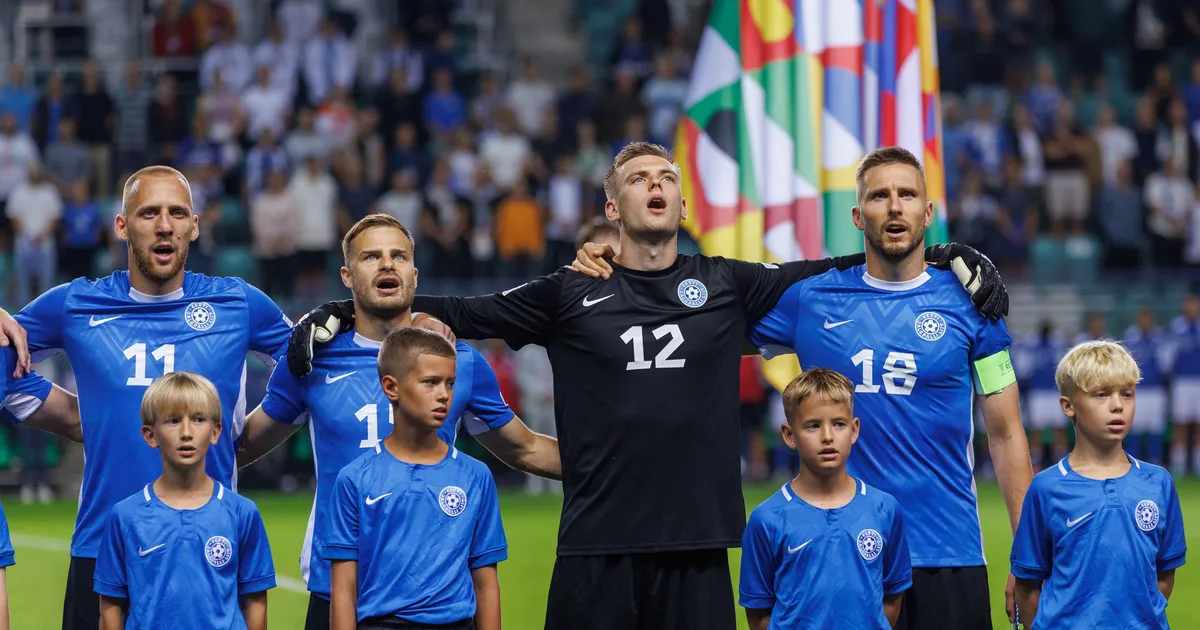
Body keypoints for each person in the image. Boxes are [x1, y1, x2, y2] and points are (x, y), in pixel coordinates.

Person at [290, 142, 1007, 629]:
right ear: (611, 208)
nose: (656, 186)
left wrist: (942, 254)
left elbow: (842, 265)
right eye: (638, 179)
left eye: (667, 178)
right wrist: (332, 313)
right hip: (595, 544)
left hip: (697, 546)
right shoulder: (567, 292)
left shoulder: (727, 284)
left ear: (684, 208)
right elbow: (455, 311)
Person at [737, 147, 1031, 630]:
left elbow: (1005, 433)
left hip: (948, 552)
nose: (895, 206)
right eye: (879, 196)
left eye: (907, 194)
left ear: (927, 212)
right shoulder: (811, 299)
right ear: (858, 215)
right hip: (842, 556)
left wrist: (1027, 554)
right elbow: (706, 335)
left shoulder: (973, 304)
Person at [0, 165, 293, 630]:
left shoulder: (239, 304)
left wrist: (248, 439)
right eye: (148, 213)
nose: (164, 225)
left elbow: (313, 369)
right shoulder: (75, 304)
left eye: (178, 213)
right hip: (102, 548)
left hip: (210, 546)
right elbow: (4, 360)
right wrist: (75, 417)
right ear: (121, 225)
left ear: (194, 227)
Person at [236, 214, 559, 630]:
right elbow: (244, 446)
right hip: (336, 591)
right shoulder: (311, 359)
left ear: (414, 273)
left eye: (399, 256)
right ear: (347, 276)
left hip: (434, 596)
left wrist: (622, 466)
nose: (387, 264)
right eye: (371, 256)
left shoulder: (459, 362)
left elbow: (526, 447)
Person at [325, 328, 504, 630]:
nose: (444, 394)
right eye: (430, 382)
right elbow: (344, 591)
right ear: (391, 387)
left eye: (450, 383)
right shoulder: (355, 479)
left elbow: (486, 586)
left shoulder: (475, 476)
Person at [1011, 340, 1186, 629]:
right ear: (1068, 406)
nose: (1118, 406)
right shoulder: (1047, 488)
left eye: (1127, 394)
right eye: (1102, 395)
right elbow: (1027, 587)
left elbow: (1164, 576)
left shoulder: (1158, 483)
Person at [94, 372, 275, 630]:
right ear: (150, 435)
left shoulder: (242, 512)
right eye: (173, 421)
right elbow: (111, 607)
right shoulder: (125, 516)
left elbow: (256, 601)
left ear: (216, 432)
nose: (186, 432)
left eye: (198, 419)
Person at [740, 368, 911, 630]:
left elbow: (891, 600)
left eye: (839, 424)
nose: (828, 436)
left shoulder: (884, 509)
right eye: (813, 425)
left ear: (854, 430)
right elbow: (759, 615)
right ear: (789, 435)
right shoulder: (767, 519)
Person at [1167, 294, 1200, 476]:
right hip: (1182, 381)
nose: (1192, 309)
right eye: (1189, 305)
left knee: (1198, 426)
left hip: (1199, 380)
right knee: (1180, 424)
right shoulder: (1177, 328)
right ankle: (1178, 466)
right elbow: (1168, 357)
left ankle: (1197, 465)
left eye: (1195, 306)